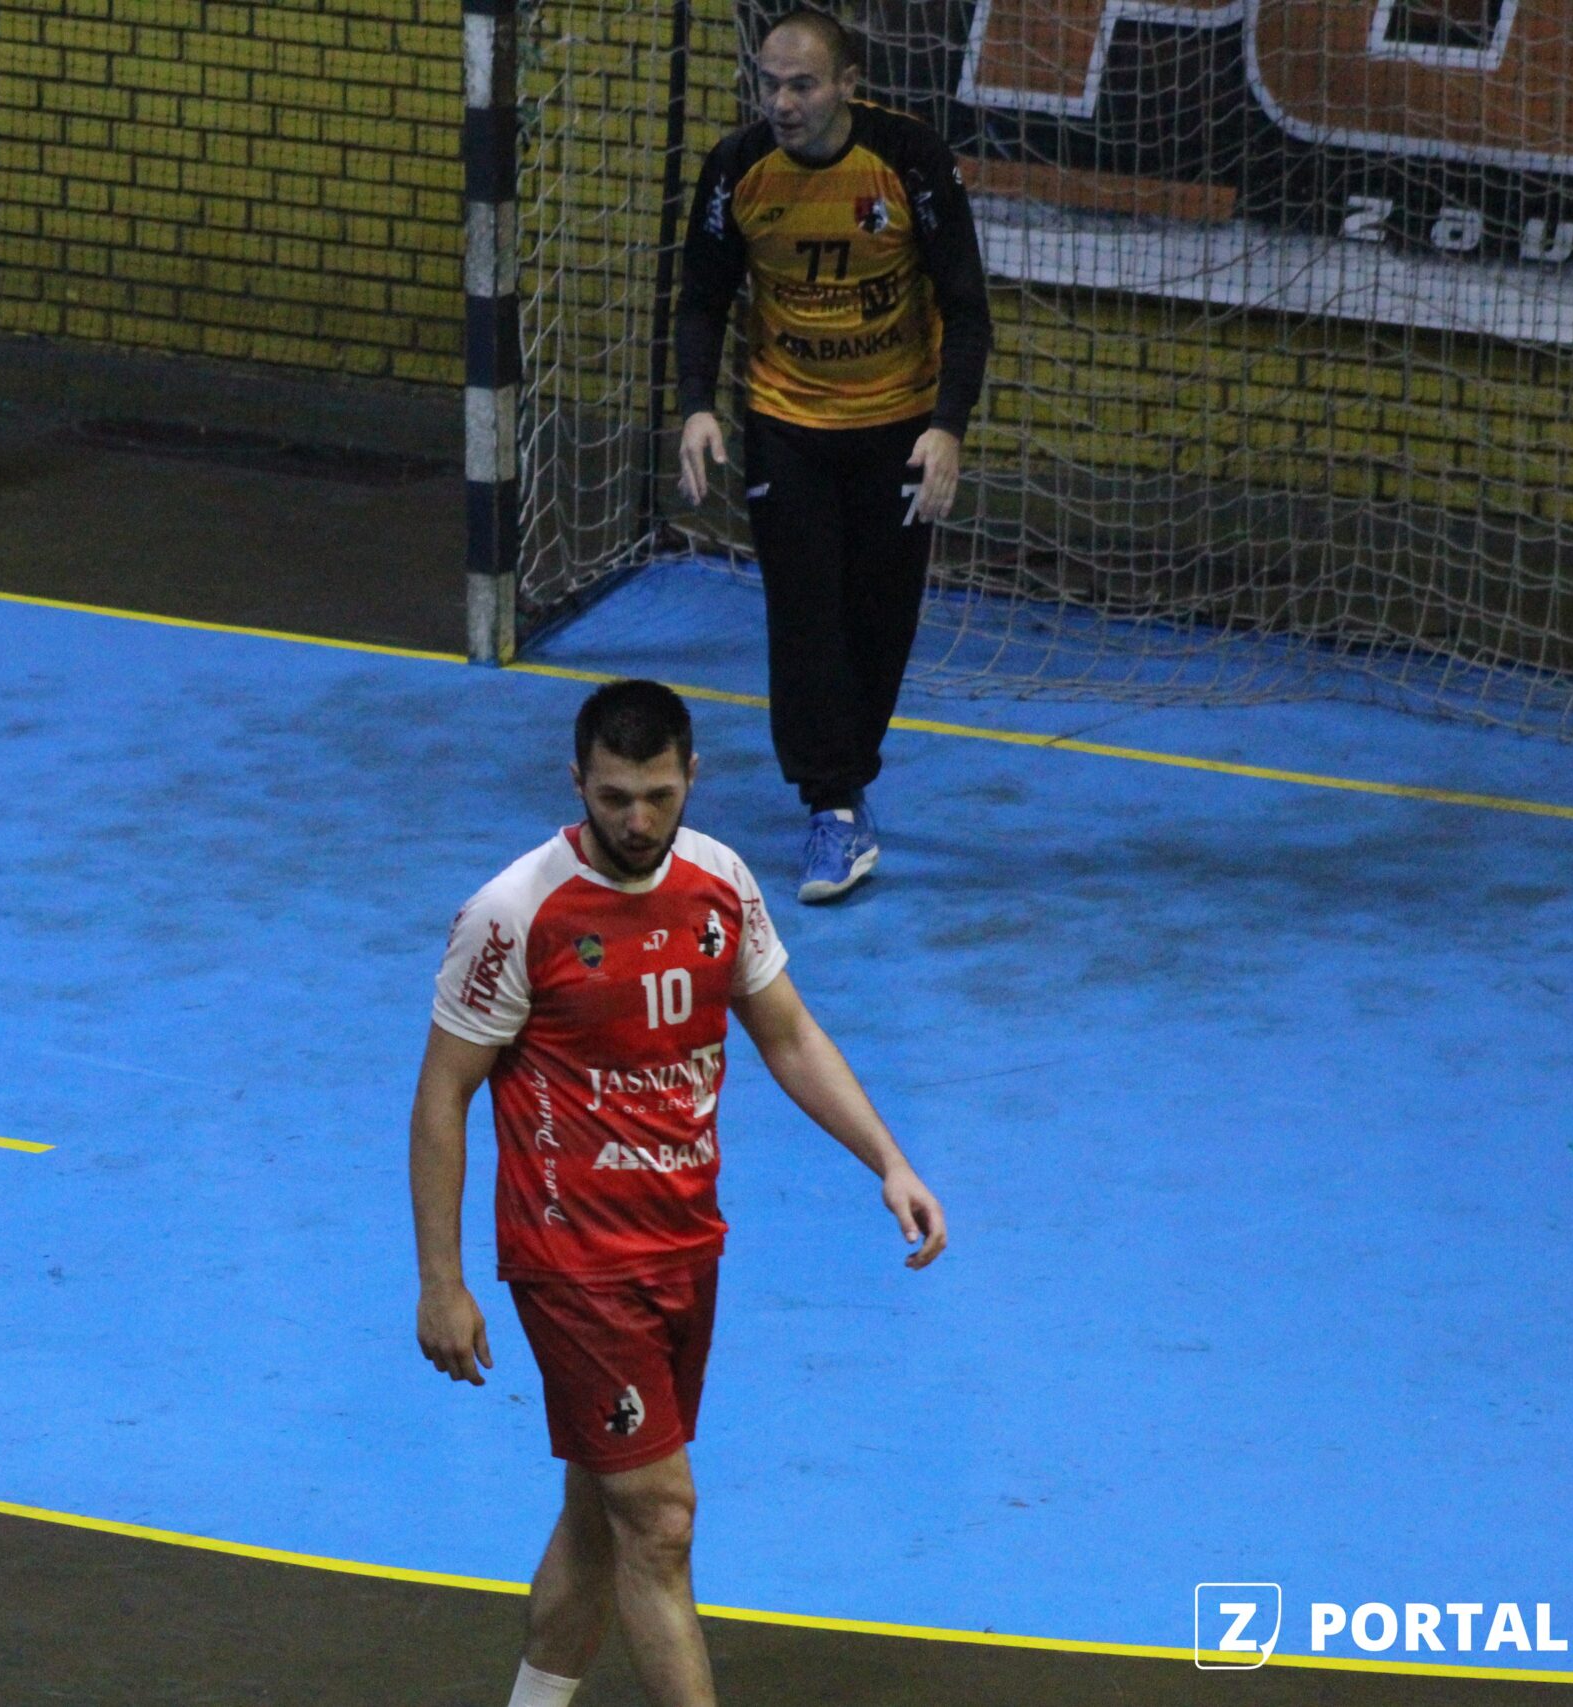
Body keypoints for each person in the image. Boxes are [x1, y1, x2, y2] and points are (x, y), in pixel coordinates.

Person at [410, 678, 946, 1707]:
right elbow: (443, 1095)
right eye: (614, 797)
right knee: (659, 1518)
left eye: (658, 795)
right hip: (574, 1265)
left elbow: (787, 1034)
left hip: (685, 1248)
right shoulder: (515, 913)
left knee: (599, 1513)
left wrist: (889, 1160)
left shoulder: (720, 883)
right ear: (577, 783)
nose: (637, 820)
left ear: (692, 776)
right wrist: (443, 1281)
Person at [672, 8, 991, 903]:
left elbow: (965, 304)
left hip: (898, 424)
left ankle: (846, 778)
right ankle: (832, 804)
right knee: (805, 610)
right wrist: (697, 407)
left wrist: (949, 425)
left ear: (848, 85)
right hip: (788, 422)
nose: (782, 102)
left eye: (802, 85)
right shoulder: (737, 169)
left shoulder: (910, 160)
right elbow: (701, 300)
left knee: (880, 617)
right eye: (769, 83)